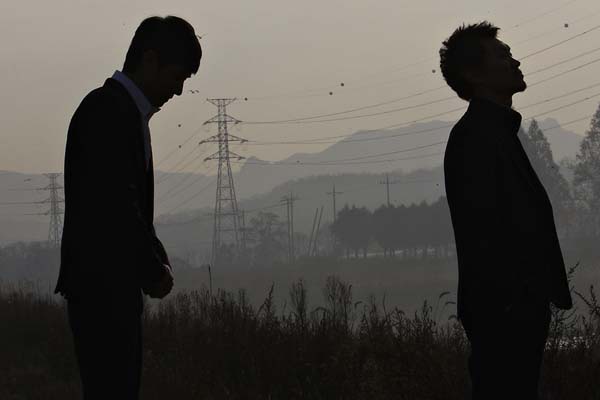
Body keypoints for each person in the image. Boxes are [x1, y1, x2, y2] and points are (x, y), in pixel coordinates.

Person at [54, 15, 202, 399]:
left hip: (109, 290)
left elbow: (126, 205)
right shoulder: (108, 112)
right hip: (103, 292)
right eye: (177, 77)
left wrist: (154, 259)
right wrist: (152, 269)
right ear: (150, 60)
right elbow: (117, 207)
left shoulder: (118, 112)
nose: (179, 90)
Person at [439, 22, 572, 399]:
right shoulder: (475, 138)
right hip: (504, 311)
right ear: (473, 73)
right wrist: (517, 301)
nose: (515, 61)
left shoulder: (495, 133)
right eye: (502, 55)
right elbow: (484, 231)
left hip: (514, 308)